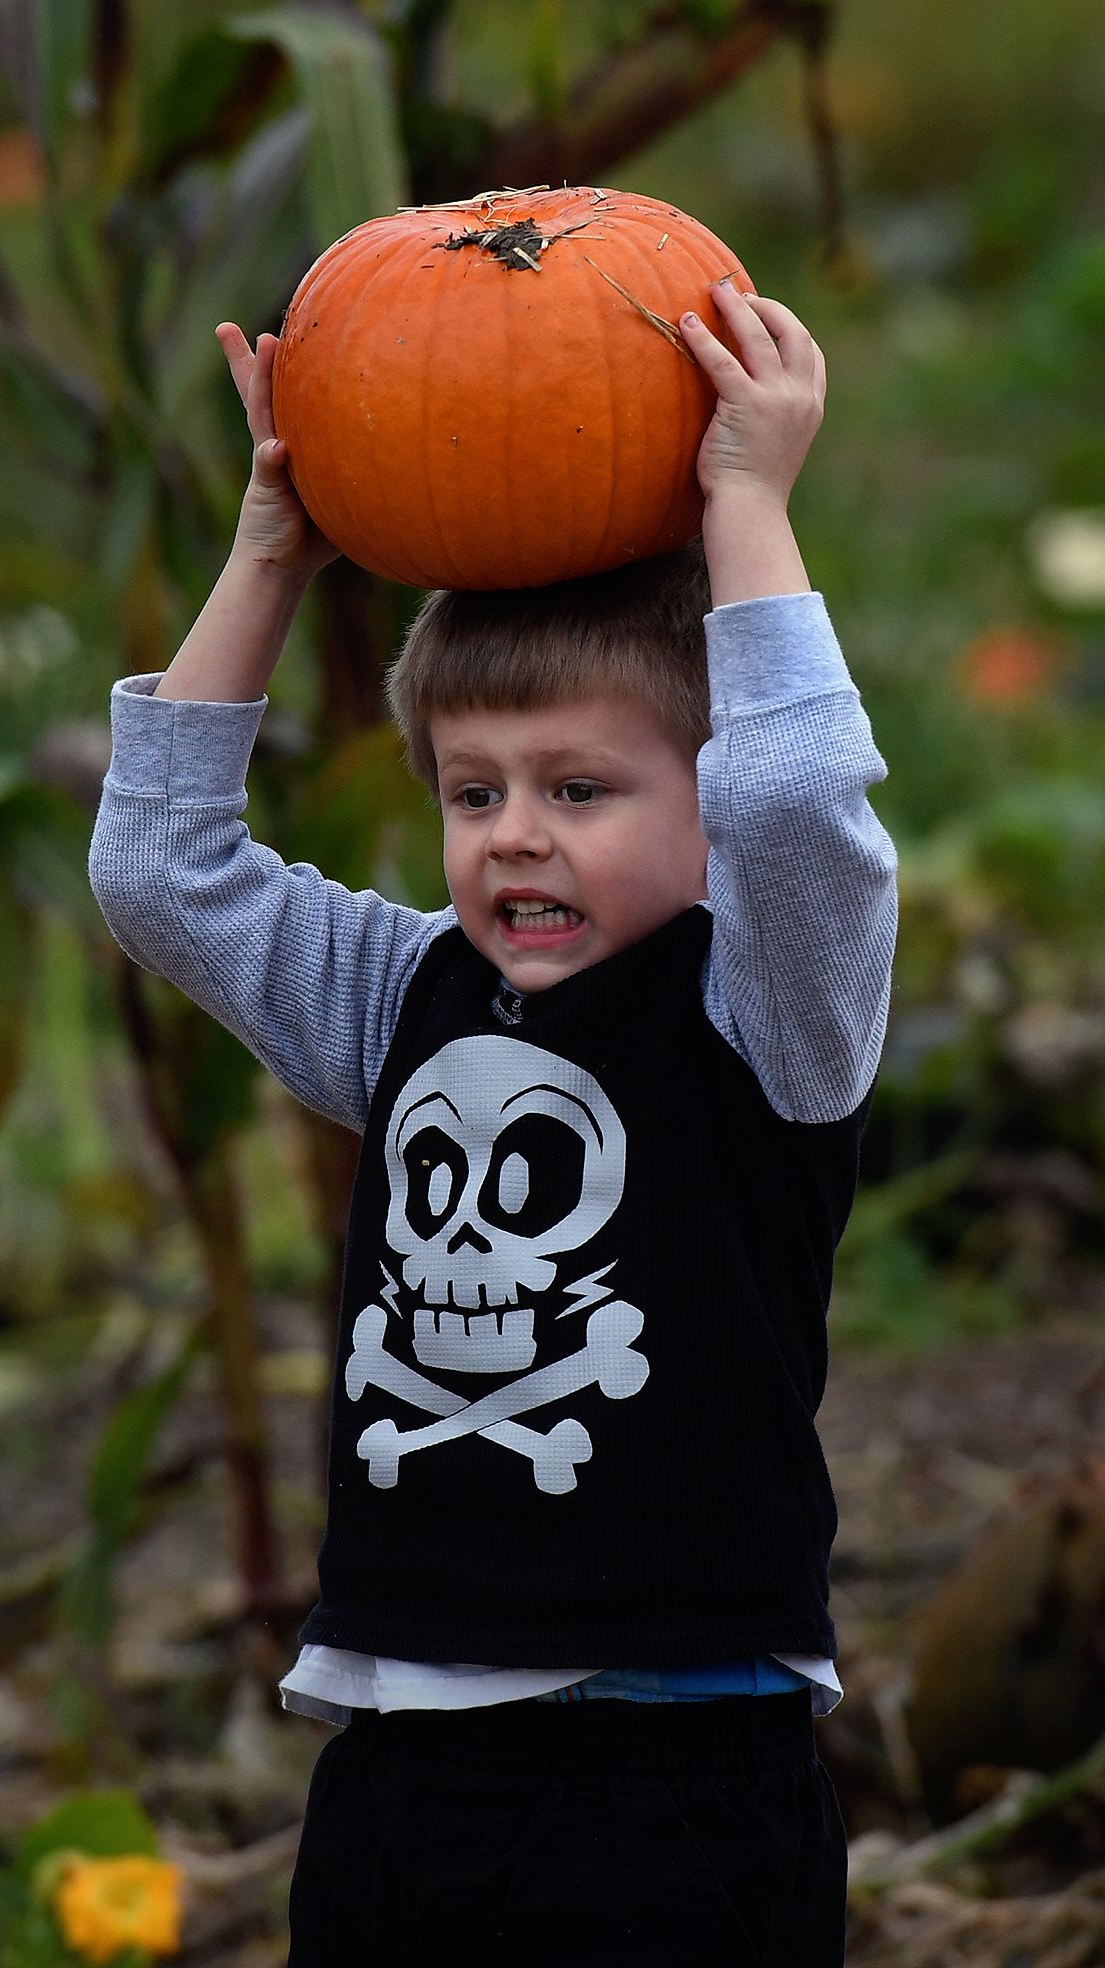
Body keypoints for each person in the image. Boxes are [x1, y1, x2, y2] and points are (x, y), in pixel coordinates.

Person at [86, 277, 895, 1966]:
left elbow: (803, 796)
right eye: (474, 791)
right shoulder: (403, 998)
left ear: (708, 808)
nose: (516, 835)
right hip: (402, 1768)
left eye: (581, 790)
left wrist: (747, 505)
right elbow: (162, 873)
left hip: (676, 1770)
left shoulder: (769, 1017)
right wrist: (275, 554)